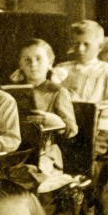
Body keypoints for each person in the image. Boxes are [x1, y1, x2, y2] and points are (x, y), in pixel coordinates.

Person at [55, 20, 108, 157]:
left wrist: (88, 107)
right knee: (55, 152)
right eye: (76, 44)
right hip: (67, 124)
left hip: (98, 127)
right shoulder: (63, 68)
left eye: (86, 44)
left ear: (100, 47)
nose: (80, 49)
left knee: (83, 156)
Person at [14, 38, 77, 173]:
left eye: (39, 59)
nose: (33, 64)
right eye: (27, 60)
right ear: (20, 64)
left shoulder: (58, 91)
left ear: (50, 62)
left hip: (45, 154)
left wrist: (56, 122)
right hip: (16, 151)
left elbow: (71, 129)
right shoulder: (13, 91)